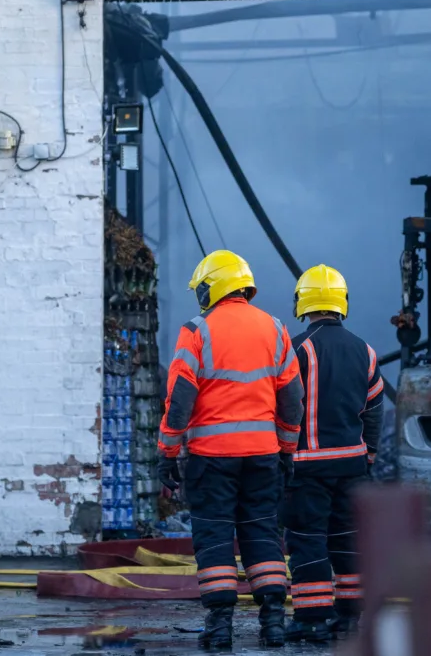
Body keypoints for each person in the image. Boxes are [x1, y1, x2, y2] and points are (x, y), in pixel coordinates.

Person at [157, 249, 304, 650]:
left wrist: (167, 452)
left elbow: (180, 399)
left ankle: (220, 627)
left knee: (215, 535)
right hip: (262, 455)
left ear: (214, 286)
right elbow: (293, 398)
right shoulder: (274, 328)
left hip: (212, 457)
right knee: (262, 533)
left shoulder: (197, 331)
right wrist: (286, 450)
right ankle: (273, 622)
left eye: (201, 288)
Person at [284, 264, 385, 643]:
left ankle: (311, 619)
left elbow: (284, 407)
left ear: (303, 302)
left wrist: (281, 456)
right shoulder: (366, 351)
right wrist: (368, 456)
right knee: (349, 539)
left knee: (308, 538)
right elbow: (375, 410)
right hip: (354, 465)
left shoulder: (298, 349)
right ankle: (349, 619)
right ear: (342, 302)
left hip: (308, 467)